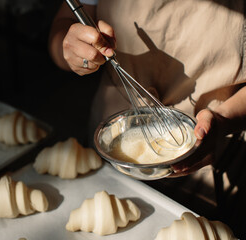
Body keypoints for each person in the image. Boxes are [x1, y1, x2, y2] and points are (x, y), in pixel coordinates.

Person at [48, 0, 246, 237]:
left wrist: (223, 118)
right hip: (115, 144)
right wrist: (69, 48)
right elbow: (62, 29)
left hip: (210, 153)